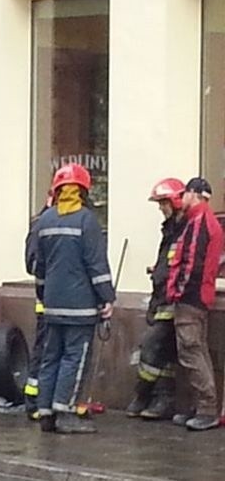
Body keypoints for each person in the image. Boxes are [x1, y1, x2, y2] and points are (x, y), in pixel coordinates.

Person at [33, 163, 115, 434]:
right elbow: (96, 264)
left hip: (52, 304)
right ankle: (64, 412)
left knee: (50, 357)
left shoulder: (44, 221)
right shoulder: (86, 220)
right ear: (82, 190)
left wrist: (44, 295)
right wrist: (107, 298)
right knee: (74, 359)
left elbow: (39, 267)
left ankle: (45, 411)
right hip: (80, 306)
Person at [125, 178, 186, 420]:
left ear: (175, 201)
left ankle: (143, 395)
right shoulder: (171, 229)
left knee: (151, 348)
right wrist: (157, 269)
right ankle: (162, 400)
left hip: (171, 301)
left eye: (163, 203)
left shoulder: (183, 230)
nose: (161, 208)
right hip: (161, 297)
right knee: (165, 354)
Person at [166, 177, 223, 431]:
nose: (182, 198)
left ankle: (206, 408)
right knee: (195, 349)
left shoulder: (199, 223)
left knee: (191, 351)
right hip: (197, 297)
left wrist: (177, 290)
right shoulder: (200, 221)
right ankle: (201, 407)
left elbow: (191, 263)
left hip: (191, 298)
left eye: (185, 193)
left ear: (194, 194)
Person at [23, 192, 52, 421]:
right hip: (47, 302)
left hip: (58, 301)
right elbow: (32, 264)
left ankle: (42, 399)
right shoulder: (41, 225)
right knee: (44, 350)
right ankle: (33, 400)